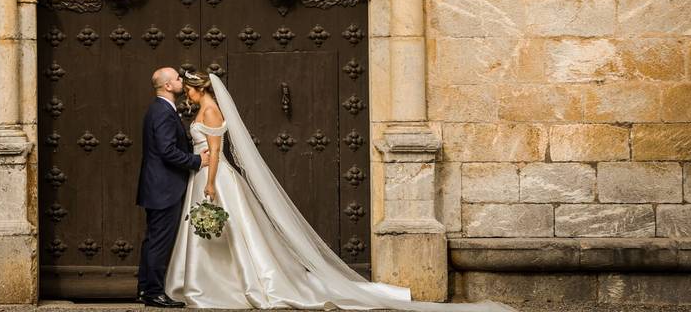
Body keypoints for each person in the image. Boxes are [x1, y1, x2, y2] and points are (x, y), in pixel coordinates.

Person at [165, 72, 515, 312]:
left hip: (214, 178)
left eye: (190, 92)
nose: (188, 97)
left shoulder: (209, 111)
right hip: (208, 175)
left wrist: (210, 182)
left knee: (232, 233)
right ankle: (214, 284)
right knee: (228, 234)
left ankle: (221, 286)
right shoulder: (206, 107)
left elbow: (215, 151)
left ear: (200, 90)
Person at [136, 67, 210, 308]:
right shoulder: (163, 112)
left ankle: (146, 289)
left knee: (153, 240)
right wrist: (198, 161)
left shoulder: (161, 110)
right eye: (178, 79)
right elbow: (167, 151)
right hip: (164, 188)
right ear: (168, 86)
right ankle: (154, 292)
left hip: (158, 186)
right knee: (159, 241)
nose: (182, 81)